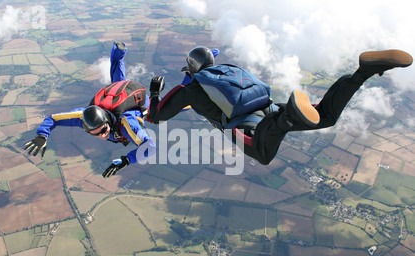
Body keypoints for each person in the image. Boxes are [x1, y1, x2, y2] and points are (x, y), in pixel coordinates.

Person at [146, 47, 412, 165]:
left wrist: (155, 93)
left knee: (261, 153)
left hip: (246, 124)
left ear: (191, 69)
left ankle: (285, 120)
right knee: (324, 116)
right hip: (269, 106)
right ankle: (362, 74)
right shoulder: (227, 69)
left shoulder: (188, 90)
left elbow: (156, 117)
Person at [24, 42, 155, 177]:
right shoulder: (83, 117)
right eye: (94, 134)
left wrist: (127, 160)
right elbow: (53, 119)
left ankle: (172, 92)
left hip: (140, 103)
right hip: (115, 99)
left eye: (103, 130)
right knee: (118, 82)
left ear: (106, 122)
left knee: (163, 112)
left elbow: (149, 147)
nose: (102, 136)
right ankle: (118, 53)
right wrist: (42, 135)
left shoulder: (128, 124)